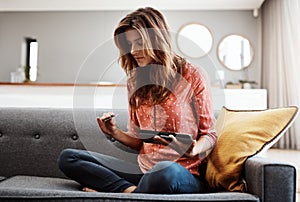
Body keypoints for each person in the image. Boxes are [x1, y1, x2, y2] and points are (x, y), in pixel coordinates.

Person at [58, 7, 216, 194]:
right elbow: (138, 140)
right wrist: (114, 131)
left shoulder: (192, 75)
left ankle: (118, 192)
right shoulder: (135, 81)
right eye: (129, 44)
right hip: (143, 171)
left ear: (157, 39)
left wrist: (195, 149)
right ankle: (131, 192)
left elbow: (210, 135)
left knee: (164, 171)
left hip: (182, 173)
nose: (133, 51)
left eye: (139, 42)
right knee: (68, 158)